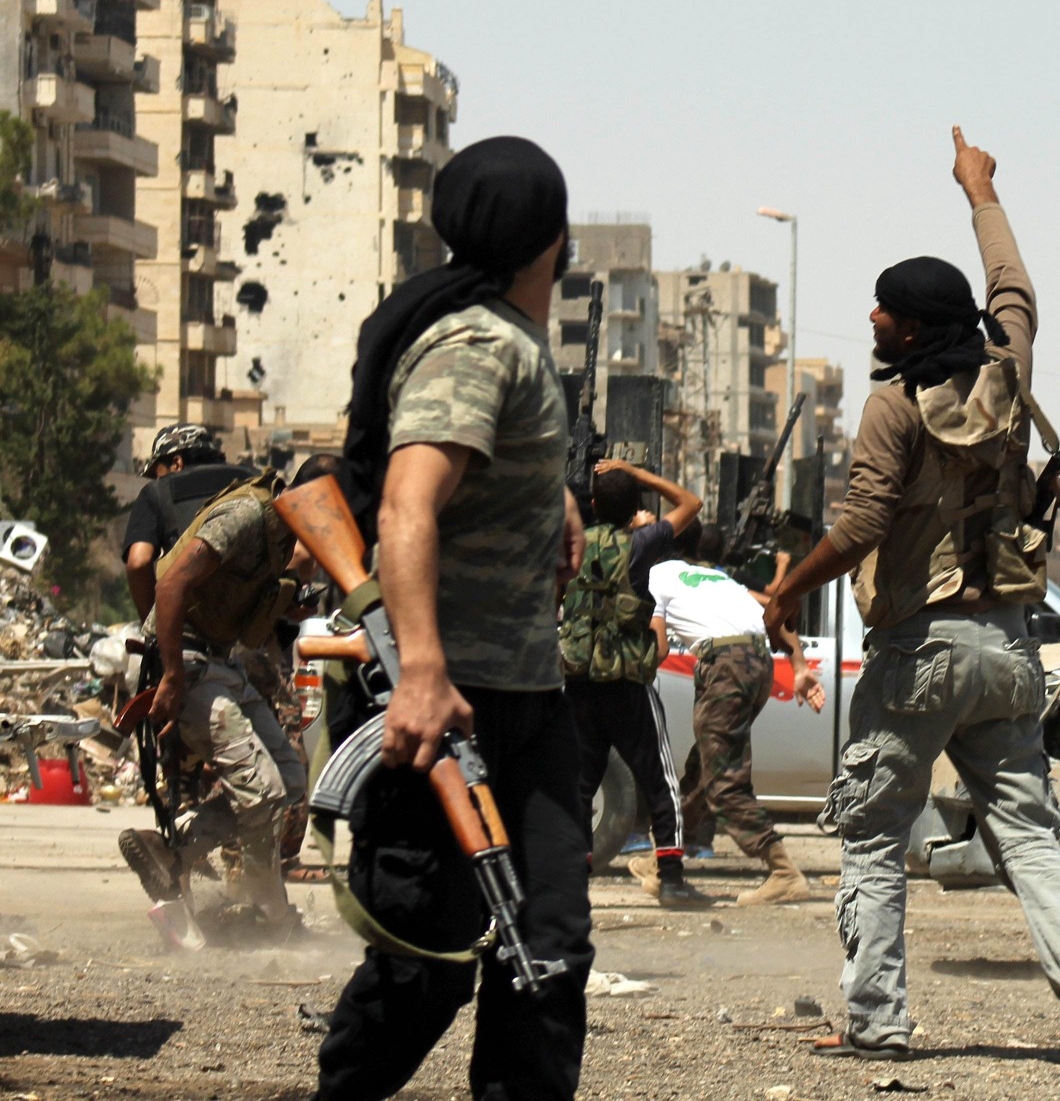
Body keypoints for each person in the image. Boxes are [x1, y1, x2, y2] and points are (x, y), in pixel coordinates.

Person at [764, 128, 1060, 1068]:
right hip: (1009, 645)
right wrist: (979, 193)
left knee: (872, 835)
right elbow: (1013, 290)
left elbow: (860, 523)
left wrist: (784, 588)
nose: (874, 318)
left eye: (886, 311)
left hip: (919, 654)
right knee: (1027, 830)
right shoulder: (1009, 370)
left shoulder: (893, 406)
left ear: (913, 330)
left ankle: (877, 1021)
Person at [315, 137, 594, 1101]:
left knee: (547, 954)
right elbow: (405, 504)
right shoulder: (478, 344)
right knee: (426, 961)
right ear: (554, 241)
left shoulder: (508, 343)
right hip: (442, 705)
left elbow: (472, 470)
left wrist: (548, 496)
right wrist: (424, 672)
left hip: (528, 699)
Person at [116, 453, 340, 934]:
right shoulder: (248, 515)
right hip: (187, 662)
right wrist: (172, 676)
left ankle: (175, 852)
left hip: (220, 661)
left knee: (290, 783)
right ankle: (268, 910)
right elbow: (171, 585)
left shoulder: (283, 537)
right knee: (262, 793)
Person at [649, 525, 824, 905]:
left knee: (723, 780)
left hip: (725, 666)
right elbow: (773, 609)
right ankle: (662, 862)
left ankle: (783, 871)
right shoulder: (717, 578)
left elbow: (659, 646)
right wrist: (798, 666)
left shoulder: (655, 576)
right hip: (758, 662)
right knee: (704, 768)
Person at [562, 458, 710, 907]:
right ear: (635, 509)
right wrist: (636, 472)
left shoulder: (570, 545)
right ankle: (671, 877)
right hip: (627, 682)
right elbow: (691, 503)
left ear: (590, 504)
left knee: (580, 783)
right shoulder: (641, 543)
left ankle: (573, 880)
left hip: (580, 681)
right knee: (659, 780)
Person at [122, 423, 254, 618]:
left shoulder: (158, 492)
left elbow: (138, 562)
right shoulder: (254, 481)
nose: (157, 480)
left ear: (176, 463)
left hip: (191, 633)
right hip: (254, 627)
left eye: (157, 472)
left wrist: (153, 625)